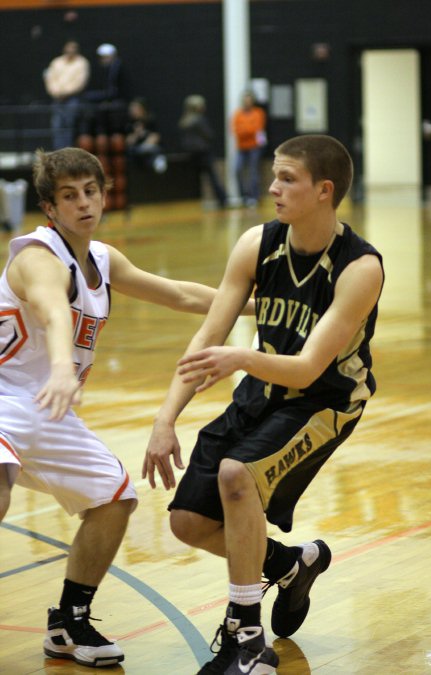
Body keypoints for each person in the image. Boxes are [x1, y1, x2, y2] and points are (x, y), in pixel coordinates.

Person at [0, 147, 253, 668]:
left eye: (90, 191)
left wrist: (260, 305)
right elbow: (51, 310)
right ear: (50, 208)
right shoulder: (35, 256)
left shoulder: (103, 259)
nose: (83, 203)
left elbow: (181, 294)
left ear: (104, 193)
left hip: (48, 409)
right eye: (69, 196)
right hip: (7, 395)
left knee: (114, 498)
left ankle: (69, 623)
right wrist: (65, 367)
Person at [144, 134, 384, 673]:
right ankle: (291, 565)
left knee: (237, 475)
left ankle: (247, 639)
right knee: (186, 520)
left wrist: (240, 358)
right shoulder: (257, 243)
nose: (272, 187)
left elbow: (306, 369)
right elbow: (209, 335)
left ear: (324, 191)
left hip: (325, 402)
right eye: (274, 176)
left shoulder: (359, 267)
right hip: (264, 391)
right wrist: (164, 419)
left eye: (287, 178)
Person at [178, 95, 228, 208]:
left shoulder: (184, 121)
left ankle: (194, 200)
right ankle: (223, 199)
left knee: (194, 178)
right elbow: (209, 135)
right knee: (213, 177)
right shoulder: (199, 120)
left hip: (191, 153)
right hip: (203, 152)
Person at [43, 41, 90, 149]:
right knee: (57, 125)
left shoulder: (81, 62)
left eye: (73, 48)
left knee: (70, 125)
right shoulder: (56, 62)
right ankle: (58, 152)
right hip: (57, 99)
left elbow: (80, 82)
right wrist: (56, 92)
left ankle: (68, 152)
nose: (70, 51)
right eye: (69, 48)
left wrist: (65, 93)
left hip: (72, 99)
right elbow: (50, 79)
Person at [82, 43, 127, 136]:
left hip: (116, 100)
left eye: (105, 57)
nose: (102, 60)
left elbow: (114, 90)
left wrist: (106, 99)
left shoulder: (117, 68)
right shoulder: (109, 68)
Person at [231, 90, 267, 207]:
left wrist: (245, 129)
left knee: (253, 172)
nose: (247, 102)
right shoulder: (238, 114)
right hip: (241, 147)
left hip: (254, 147)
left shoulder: (258, 112)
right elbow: (236, 130)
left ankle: (254, 197)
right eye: (245, 100)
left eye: (249, 100)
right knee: (237, 169)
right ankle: (244, 196)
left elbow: (256, 128)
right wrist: (247, 129)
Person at [125, 97, 167, 174]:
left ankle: (157, 162)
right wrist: (136, 134)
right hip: (135, 150)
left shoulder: (150, 121)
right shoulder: (129, 123)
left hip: (148, 148)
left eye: (136, 109)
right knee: (142, 151)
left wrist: (146, 145)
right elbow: (128, 142)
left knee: (152, 150)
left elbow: (155, 137)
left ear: (142, 109)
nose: (133, 111)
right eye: (132, 109)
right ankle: (158, 160)